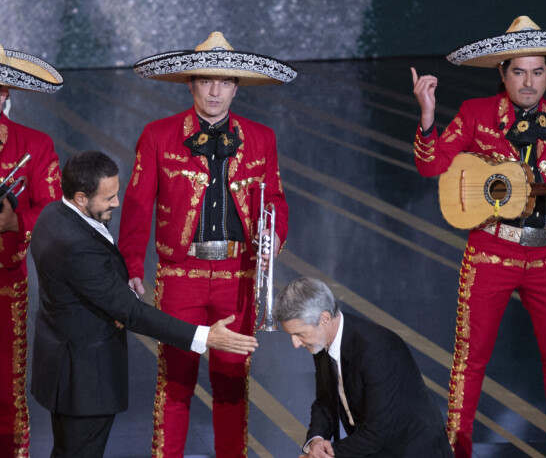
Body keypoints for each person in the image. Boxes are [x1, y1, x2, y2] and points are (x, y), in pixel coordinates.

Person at [118, 31, 296, 457]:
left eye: (225, 82)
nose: (216, 91)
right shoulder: (158, 135)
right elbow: (138, 206)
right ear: (190, 84)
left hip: (239, 276)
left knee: (232, 386)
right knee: (176, 384)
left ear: (237, 87)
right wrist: (131, 267)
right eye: (206, 81)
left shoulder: (262, 138)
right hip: (181, 277)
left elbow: (274, 200)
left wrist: (274, 236)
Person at [411, 16, 546, 457]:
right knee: (471, 361)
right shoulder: (475, 113)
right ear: (501, 72)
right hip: (490, 251)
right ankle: (457, 449)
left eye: (538, 71)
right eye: (518, 71)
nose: (529, 82)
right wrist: (427, 115)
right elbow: (431, 166)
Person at [29, 151, 258, 458]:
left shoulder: (53, 214)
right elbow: (132, 313)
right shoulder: (75, 246)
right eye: (108, 198)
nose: (116, 203)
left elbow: (87, 284)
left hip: (62, 366)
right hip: (84, 380)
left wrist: (113, 293)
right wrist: (205, 337)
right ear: (81, 197)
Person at [273, 276, 453, 458]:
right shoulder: (321, 343)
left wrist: (324, 456)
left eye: (299, 334)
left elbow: (378, 432)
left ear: (324, 319)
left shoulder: (376, 349)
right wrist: (316, 441)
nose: (295, 343)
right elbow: (325, 402)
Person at [0, 44, 63, 457]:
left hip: (7, 287)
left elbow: (55, 214)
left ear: (5, 95)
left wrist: (15, 222)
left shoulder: (35, 145)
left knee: (7, 394)